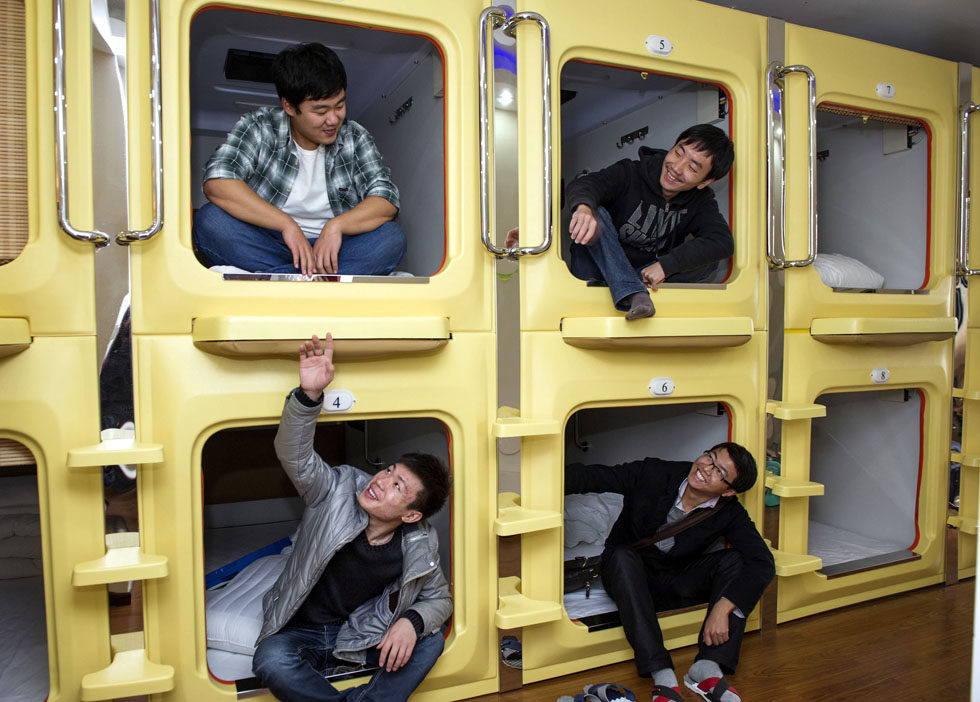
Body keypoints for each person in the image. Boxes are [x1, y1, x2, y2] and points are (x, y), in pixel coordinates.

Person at [252, 334, 452, 701]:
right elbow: (294, 456)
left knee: (430, 641)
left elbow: (440, 598)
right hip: (303, 629)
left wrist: (411, 621)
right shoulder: (337, 489)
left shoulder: (420, 540)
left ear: (412, 514)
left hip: (360, 633)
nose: (380, 481)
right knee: (270, 660)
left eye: (397, 486)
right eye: (388, 470)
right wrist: (308, 396)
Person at [564, 442, 774, 702]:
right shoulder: (655, 472)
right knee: (621, 555)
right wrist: (543, 478)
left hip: (672, 580)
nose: (705, 468)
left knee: (736, 560)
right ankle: (662, 674)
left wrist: (724, 606)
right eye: (709, 457)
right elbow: (594, 476)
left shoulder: (729, 512)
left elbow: (763, 562)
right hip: (626, 573)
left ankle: (708, 666)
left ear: (729, 491)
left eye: (719, 471)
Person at [193, 43, 405, 277]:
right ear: (289, 106)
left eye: (340, 105)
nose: (333, 119)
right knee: (210, 221)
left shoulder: (355, 136)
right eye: (321, 111)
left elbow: (386, 199)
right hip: (272, 243)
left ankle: (287, 279)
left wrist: (336, 226)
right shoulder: (259, 126)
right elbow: (217, 182)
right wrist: (286, 225)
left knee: (391, 238)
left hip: (337, 251)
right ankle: (318, 281)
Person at [514, 124, 734, 320]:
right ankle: (632, 292)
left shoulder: (701, 200)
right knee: (595, 212)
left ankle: (627, 289)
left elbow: (722, 241)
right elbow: (589, 184)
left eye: (692, 168)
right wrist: (583, 208)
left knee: (708, 261)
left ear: (706, 181)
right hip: (595, 271)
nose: (676, 167)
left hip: (641, 274)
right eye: (678, 152)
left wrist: (666, 266)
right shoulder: (631, 172)